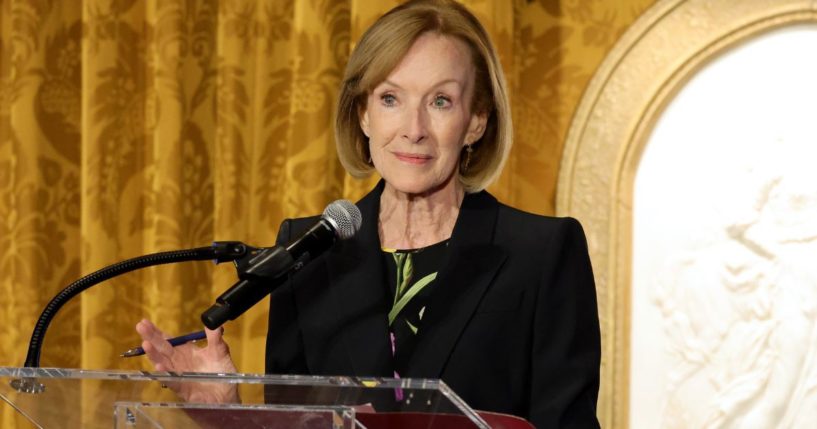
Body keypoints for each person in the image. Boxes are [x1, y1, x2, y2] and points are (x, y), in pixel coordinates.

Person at [136, 0, 601, 427]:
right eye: (390, 99)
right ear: (363, 115)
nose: (413, 129)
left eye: (441, 101)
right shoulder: (307, 250)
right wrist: (227, 416)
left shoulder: (540, 254)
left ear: (476, 120)